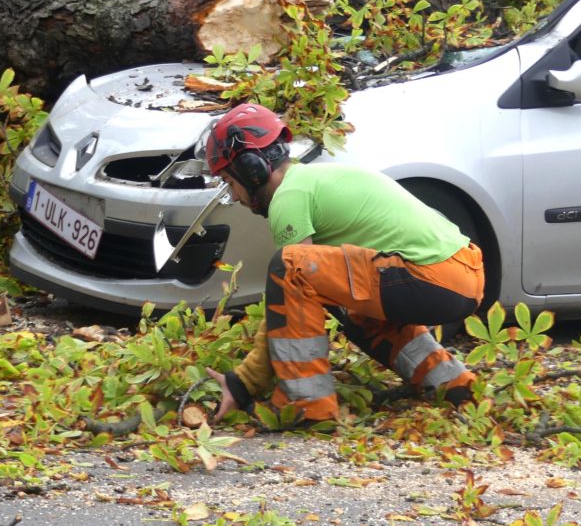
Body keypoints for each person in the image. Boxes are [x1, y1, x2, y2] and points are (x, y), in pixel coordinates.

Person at [203, 103, 484, 425]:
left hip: (432, 277)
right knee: (349, 306)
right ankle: (453, 384)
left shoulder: (289, 197)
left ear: (251, 169)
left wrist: (244, 383)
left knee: (289, 266)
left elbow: (290, 287)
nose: (235, 196)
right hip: (463, 275)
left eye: (230, 181)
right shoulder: (316, 179)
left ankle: (307, 406)